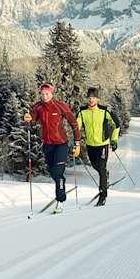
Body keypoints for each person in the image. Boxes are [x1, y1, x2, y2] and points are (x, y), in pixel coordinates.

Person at [24, 83, 79, 213]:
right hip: (47, 145)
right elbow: (31, 121)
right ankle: (61, 184)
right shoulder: (37, 107)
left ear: (52, 93)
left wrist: (77, 142)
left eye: (47, 94)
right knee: (52, 171)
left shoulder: (60, 106)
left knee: (58, 173)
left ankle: (60, 200)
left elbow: (74, 123)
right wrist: (28, 119)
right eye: (42, 94)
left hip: (61, 144)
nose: (44, 96)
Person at [76, 86, 122, 206]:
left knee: (101, 168)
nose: (91, 100)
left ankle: (103, 195)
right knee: (96, 166)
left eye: (94, 97)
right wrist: (76, 141)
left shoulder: (104, 111)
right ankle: (105, 175)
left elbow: (116, 124)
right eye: (90, 97)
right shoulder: (82, 112)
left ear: (97, 99)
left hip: (103, 145)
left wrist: (114, 139)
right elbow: (76, 127)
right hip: (90, 145)